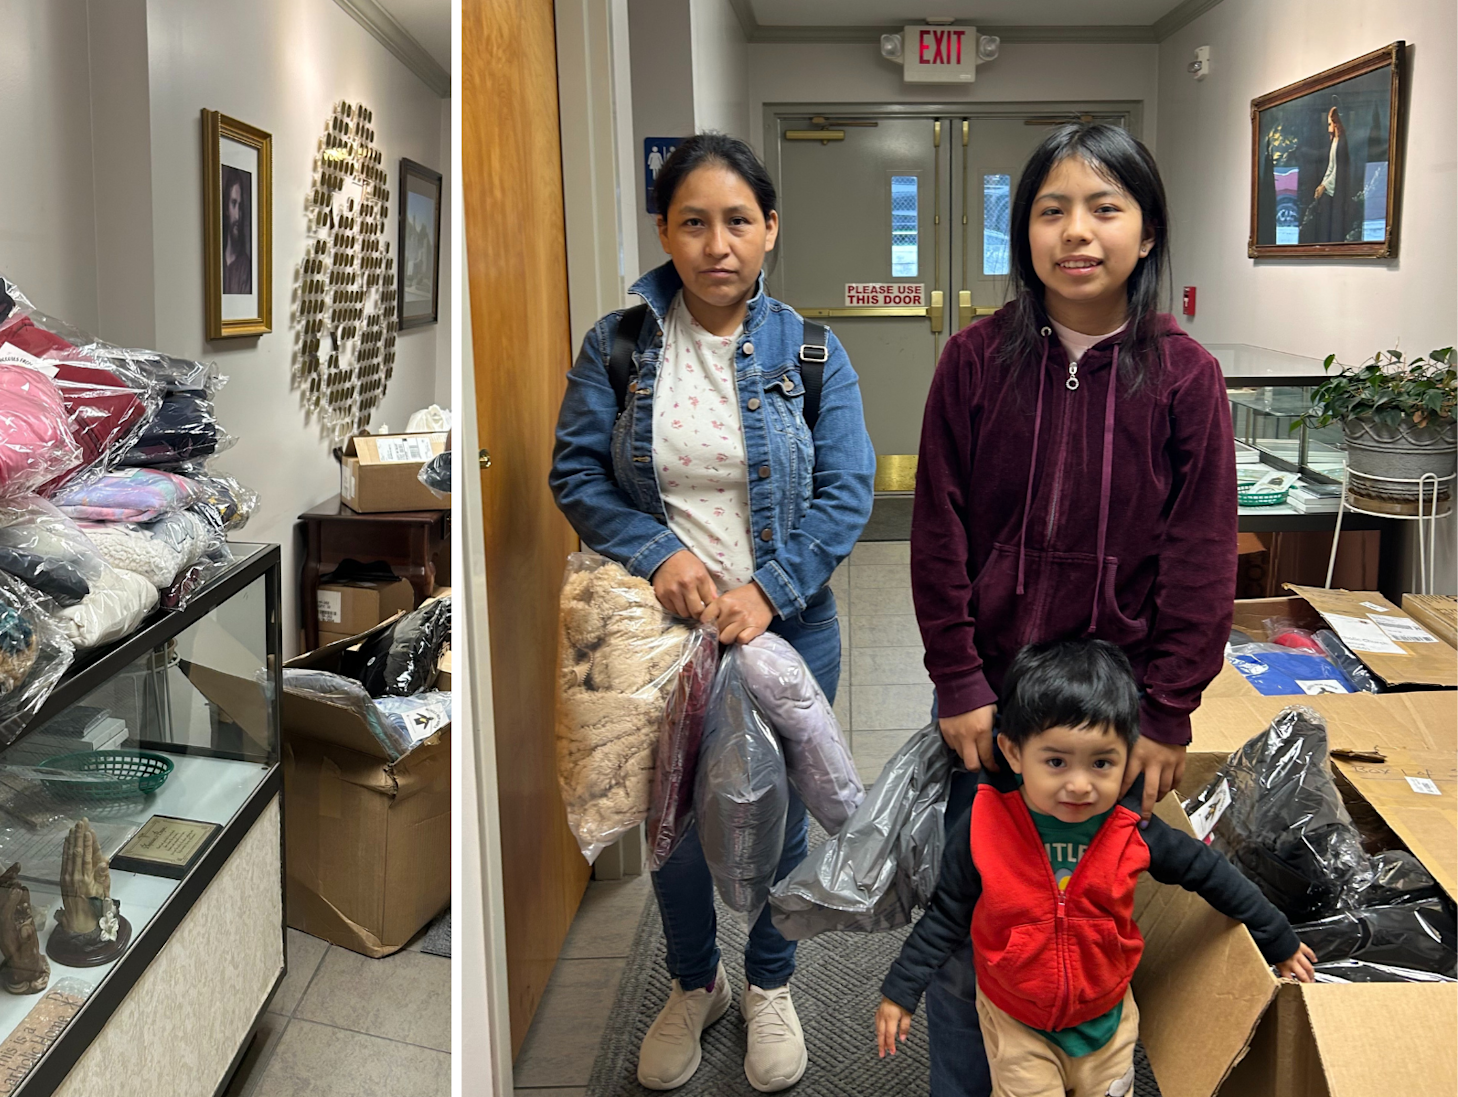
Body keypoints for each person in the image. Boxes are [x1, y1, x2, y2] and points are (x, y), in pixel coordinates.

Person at [909, 121, 1238, 1096]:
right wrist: (960, 679)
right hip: (993, 713)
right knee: (975, 923)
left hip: (1112, 717)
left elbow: (1200, 555)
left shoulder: (1186, 378)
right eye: (1052, 209)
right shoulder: (973, 362)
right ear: (1024, 233)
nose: (1078, 231)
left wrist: (1170, 707)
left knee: (1087, 925)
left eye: (1105, 207)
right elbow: (938, 533)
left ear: (1147, 229)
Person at [549, 132, 875, 1092]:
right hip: (659, 638)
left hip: (790, 626)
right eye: (694, 222)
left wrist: (770, 587)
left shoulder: (813, 352)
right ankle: (697, 979)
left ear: (771, 229)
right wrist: (660, 555)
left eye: (739, 220)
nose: (717, 243)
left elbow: (849, 488)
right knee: (677, 820)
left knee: (780, 812)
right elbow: (575, 471)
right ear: (665, 231)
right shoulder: (617, 344)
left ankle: (772, 981)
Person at [873, 639, 1315, 1096]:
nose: (1080, 785)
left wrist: (1276, 936)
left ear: (1128, 757)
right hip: (1017, 1019)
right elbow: (947, 913)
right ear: (1013, 752)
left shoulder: (1131, 829)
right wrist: (901, 989)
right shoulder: (984, 825)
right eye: (1056, 762)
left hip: (1107, 1019)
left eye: (1102, 762)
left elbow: (1211, 873)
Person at [1306, 105, 1354, 244]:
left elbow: (1340, 169)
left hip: (1338, 192)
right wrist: (1322, 184)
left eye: (1330, 124)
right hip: (1330, 189)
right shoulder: (1335, 141)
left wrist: (1325, 186)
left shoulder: (1343, 142)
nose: (1328, 128)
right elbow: (1331, 167)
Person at [222, 170, 253, 294]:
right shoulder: (218, 261)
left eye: (240, 207)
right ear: (226, 209)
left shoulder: (245, 267)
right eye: (233, 204)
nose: (237, 216)